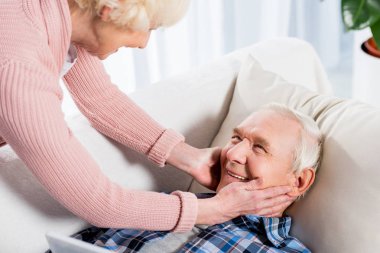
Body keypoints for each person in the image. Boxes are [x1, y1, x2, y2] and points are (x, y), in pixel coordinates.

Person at [0, 0, 293, 232]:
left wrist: (189, 156)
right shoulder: (18, 67)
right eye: (148, 28)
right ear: (108, 10)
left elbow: (101, 100)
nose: (143, 44)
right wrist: (214, 210)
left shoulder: (65, 15)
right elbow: (100, 203)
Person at [69, 103, 323, 252]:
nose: (233, 154)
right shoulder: (164, 205)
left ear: (298, 181)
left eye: (259, 147)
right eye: (236, 138)